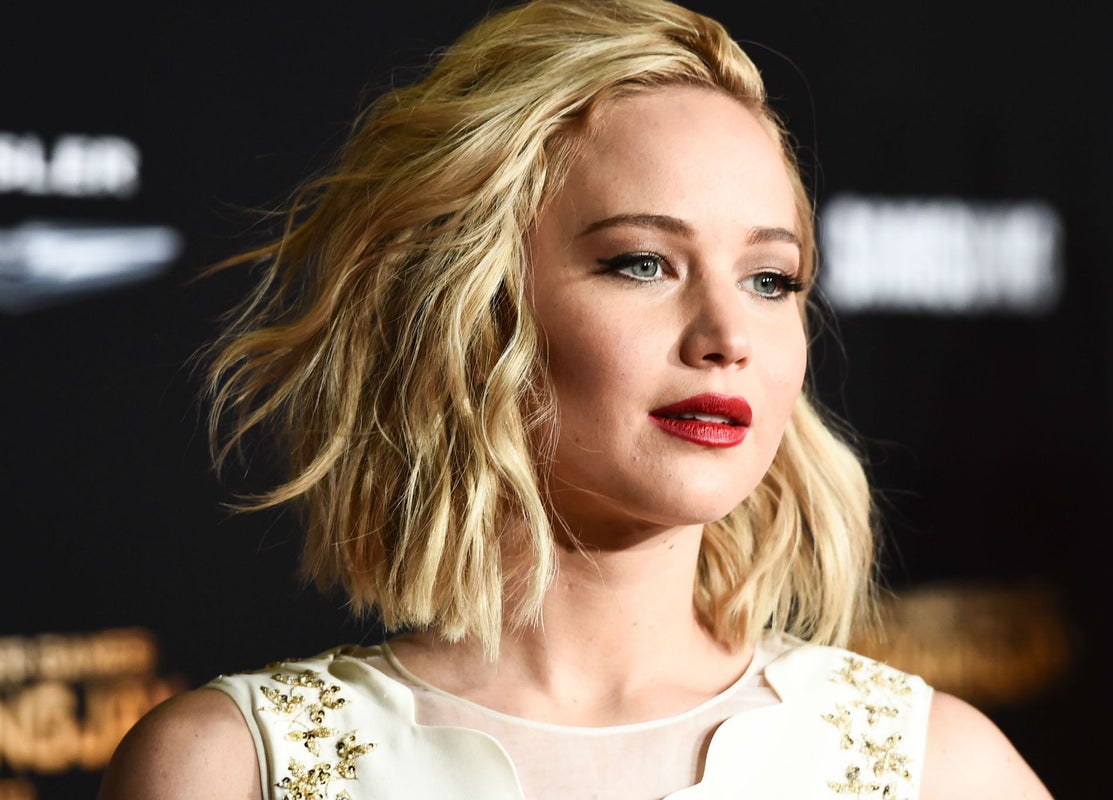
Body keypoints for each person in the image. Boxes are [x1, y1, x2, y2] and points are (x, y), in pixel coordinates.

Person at [100, 1, 1052, 798]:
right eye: (642, 263)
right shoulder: (231, 769)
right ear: (475, 307)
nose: (726, 334)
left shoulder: (937, 770)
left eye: (770, 279)